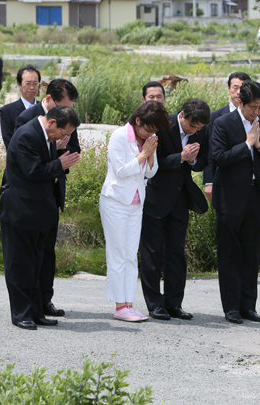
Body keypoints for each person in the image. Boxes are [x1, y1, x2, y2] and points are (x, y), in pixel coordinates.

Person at [0, 105, 81, 330]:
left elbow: (42, 165)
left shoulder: (46, 135)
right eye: (64, 133)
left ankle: (36, 312)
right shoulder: (26, 134)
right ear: (52, 123)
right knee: (20, 265)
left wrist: (57, 152)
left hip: (38, 211)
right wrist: (59, 164)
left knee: (36, 264)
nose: (64, 138)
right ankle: (21, 314)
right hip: (20, 211)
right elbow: (32, 171)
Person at [211, 80, 260, 324]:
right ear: (240, 102)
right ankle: (231, 307)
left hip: (256, 196)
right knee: (230, 252)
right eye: (253, 107)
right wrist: (247, 144)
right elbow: (219, 158)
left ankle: (248, 306)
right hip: (230, 197)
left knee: (252, 253)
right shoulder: (222, 124)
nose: (257, 112)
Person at [139, 98, 211, 321]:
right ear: (182, 116)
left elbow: (203, 161)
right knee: (151, 252)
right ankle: (155, 304)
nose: (195, 131)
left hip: (180, 198)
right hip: (155, 195)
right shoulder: (162, 125)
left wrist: (192, 160)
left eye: (198, 128)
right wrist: (180, 157)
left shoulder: (202, 130)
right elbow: (153, 161)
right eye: (191, 126)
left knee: (176, 253)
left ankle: (174, 303)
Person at [99, 101, 169, 322]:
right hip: (116, 202)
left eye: (155, 130)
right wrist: (143, 154)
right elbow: (120, 171)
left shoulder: (148, 139)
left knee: (130, 255)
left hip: (136, 203)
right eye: (149, 129)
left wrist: (150, 154)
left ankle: (129, 303)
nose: (151, 133)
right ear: (138, 120)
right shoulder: (120, 136)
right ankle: (120, 306)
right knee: (118, 254)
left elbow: (151, 172)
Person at [203, 71, 251, 200]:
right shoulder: (215, 117)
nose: (238, 92)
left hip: (252, 181)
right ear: (228, 89)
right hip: (224, 179)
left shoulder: (258, 117)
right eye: (235, 88)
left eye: (243, 88)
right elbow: (209, 150)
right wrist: (209, 181)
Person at [0, 65, 41, 149]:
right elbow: (10, 144)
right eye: (28, 83)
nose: (32, 87)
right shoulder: (7, 111)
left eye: (35, 83)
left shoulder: (46, 109)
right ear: (19, 84)